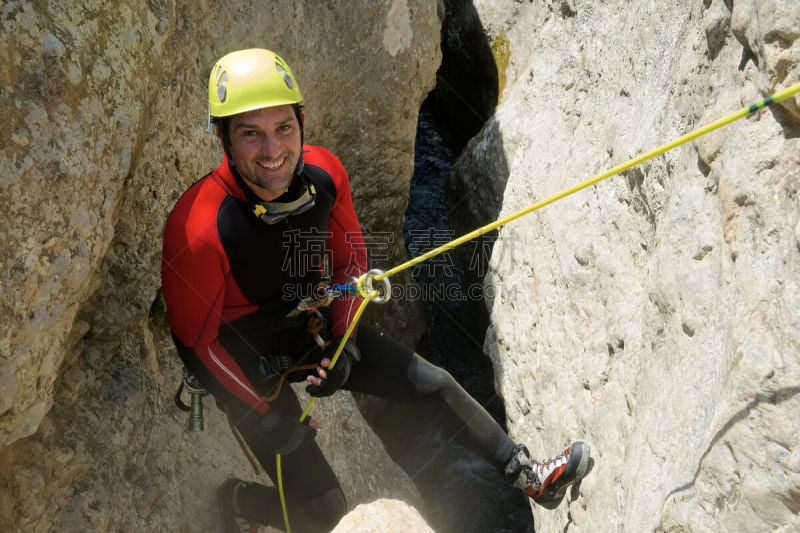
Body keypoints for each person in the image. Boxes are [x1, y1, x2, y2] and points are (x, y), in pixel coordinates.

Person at [161, 48, 591, 532]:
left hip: (310, 324)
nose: (272, 150)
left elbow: (351, 262)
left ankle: (527, 473)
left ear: (302, 122)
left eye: (284, 128)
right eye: (250, 133)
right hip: (244, 359)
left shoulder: (323, 175)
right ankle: (240, 500)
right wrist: (265, 414)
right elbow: (198, 345)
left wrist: (342, 346)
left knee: (434, 384)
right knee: (323, 514)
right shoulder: (198, 228)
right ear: (223, 138)